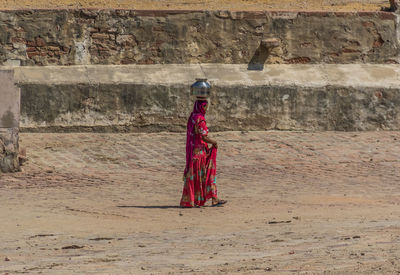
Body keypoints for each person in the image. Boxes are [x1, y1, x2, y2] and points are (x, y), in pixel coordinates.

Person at [180, 99, 227, 208]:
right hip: (200, 153)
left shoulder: (192, 117)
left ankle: (192, 200)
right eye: (206, 107)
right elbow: (203, 137)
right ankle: (212, 199)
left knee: (196, 177)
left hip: (194, 152)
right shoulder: (200, 120)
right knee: (208, 175)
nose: (207, 109)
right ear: (202, 107)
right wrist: (214, 142)